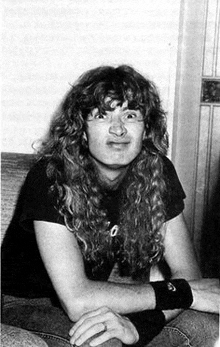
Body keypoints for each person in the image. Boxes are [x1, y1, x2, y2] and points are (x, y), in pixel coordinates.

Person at [1, 65, 219, 347]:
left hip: (98, 299)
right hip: (23, 303)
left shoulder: (157, 172)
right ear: (81, 130)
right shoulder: (49, 177)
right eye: (102, 116)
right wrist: (185, 293)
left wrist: (139, 326)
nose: (118, 129)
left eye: (130, 115)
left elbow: (188, 275)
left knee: (205, 323)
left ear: (146, 128)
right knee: (106, 343)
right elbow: (78, 300)